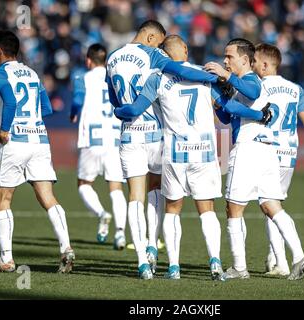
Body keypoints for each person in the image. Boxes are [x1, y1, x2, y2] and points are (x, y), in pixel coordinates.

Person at [115, 35, 269, 281]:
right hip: (205, 153)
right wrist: (257, 114)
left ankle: (174, 268)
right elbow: (230, 108)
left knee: (173, 209)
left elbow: (134, 110)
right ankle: (215, 263)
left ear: (164, 55)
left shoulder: (157, 78)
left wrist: (117, 110)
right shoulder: (206, 74)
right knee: (206, 209)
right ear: (186, 50)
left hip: (175, 153)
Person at [106, 20, 220, 280]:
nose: (163, 50)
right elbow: (182, 70)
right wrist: (214, 76)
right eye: (160, 43)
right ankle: (151, 245)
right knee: (157, 190)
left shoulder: (112, 57)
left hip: (129, 135)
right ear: (150, 37)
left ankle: (142, 263)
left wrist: (120, 111)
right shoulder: (153, 54)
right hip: (156, 133)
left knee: (135, 195)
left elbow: (114, 97)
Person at [205, 38, 304, 281]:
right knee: (271, 205)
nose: (225, 60)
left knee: (234, 207)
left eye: (229, 56)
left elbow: (252, 91)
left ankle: (239, 267)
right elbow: (225, 114)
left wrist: (226, 77)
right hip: (266, 151)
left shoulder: (251, 80)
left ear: (245, 60)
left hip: (248, 150)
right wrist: (216, 94)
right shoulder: (239, 84)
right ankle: (299, 257)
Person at [0, 30, 74, 273]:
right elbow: (45, 108)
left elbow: (12, 101)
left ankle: (6, 259)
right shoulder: (33, 73)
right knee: (47, 197)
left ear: (0, 51)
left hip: (15, 142)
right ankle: (66, 247)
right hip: (39, 141)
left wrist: (5, 127)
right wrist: (12, 117)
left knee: (3, 199)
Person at [251, 43, 304, 276]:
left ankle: (286, 261)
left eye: (255, 61)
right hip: (288, 153)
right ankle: (274, 258)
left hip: (266, 149)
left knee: (269, 205)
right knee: (273, 204)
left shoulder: (257, 86)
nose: (252, 64)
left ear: (266, 65)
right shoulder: (295, 89)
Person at [70, 43, 127, 250]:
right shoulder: (116, 77)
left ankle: (102, 214)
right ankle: (120, 233)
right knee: (116, 187)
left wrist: (73, 112)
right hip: (114, 138)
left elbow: (77, 99)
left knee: (84, 183)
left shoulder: (82, 77)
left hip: (92, 138)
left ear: (88, 60)